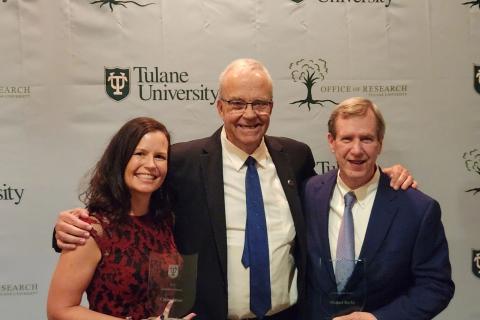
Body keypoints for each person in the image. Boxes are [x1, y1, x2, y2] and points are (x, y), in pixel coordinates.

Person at [52, 59, 415, 320]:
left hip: (287, 315)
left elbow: (336, 192)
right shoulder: (180, 161)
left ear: (271, 107)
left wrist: (385, 178)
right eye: (238, 103)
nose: (249, 113)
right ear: (219, 106)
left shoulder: (296, 157)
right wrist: (65, 229)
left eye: (260, 103)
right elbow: (133, 212)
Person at [303, 97, 454, 320]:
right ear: (331, 142)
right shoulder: (309, 192)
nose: (356, 150)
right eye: (346, 139)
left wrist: (378, 318)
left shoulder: (418, 210)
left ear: (380, 143)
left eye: (366, 139)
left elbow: (436, 286)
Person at [47, 117, 196, 320]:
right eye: (140, 154)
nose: (151, 165)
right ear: (120, 159)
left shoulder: (166, 221)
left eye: (160, 156)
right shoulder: (91, 229)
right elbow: (59, 310)